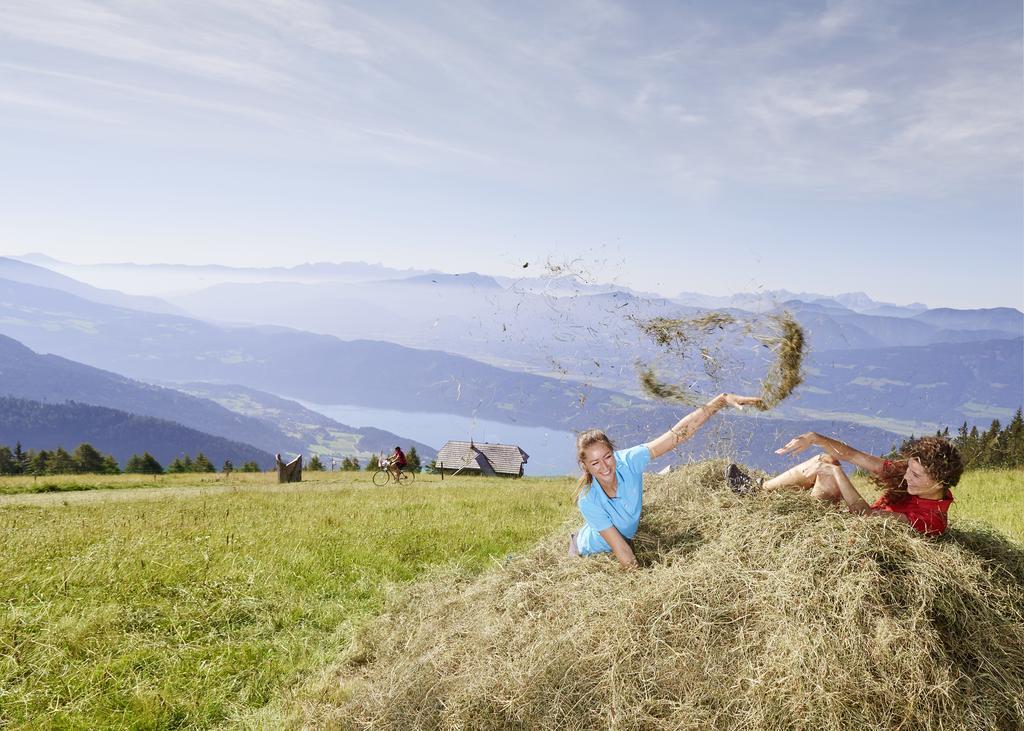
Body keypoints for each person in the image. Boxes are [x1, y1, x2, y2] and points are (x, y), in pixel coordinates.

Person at [571, 392, 763, 568]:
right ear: (584, 466)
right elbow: (621, 550)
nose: (605, 467)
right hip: (590, 551)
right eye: (595, 463)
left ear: (614, 452)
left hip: (623, 535)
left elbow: (677, 435)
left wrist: (719, 402)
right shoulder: (588, 499)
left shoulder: (628, 461)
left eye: (607, 457)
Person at [726, 433, 963, 536]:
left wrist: (836, 473)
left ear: (940, 482)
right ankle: (758, 491)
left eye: (916, 475)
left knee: (828, 470)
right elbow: (853, 456)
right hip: (848, 522)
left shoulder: (932, 520)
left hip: (853, 535)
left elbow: (866, 516)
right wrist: (816, 438)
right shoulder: (911, 476)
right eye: (909, 469)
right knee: (824, 459)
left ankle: (775, 505)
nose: (907, 477)